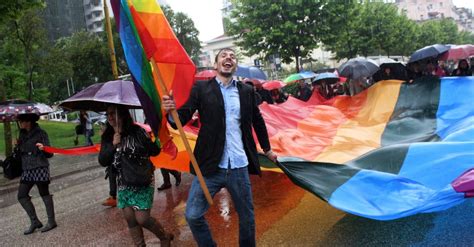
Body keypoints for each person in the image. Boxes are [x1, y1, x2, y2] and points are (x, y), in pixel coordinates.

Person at [162, 47, 277, 247]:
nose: (228, 58)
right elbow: (181, 119)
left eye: (232, 56)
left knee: (247, 218)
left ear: (235, 65)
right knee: (193, 215)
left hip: (239, 166)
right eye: (224, 55)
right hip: (209, 167)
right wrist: (170, 112)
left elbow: (258, 121)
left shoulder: (247, 91)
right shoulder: (201, 89)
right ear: (216, 64)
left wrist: (267, 149)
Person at [98, 105, 173, 246]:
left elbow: (154, 151)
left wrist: (158, 137)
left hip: (142, 179)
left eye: (113, 113)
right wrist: (113, 145)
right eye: (107, 114)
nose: (110, 117)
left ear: (122, 114)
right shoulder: (108, 136)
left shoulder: (137, 131)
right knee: (130, 218)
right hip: (123, 183)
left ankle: (164, 237)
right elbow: (103, 160)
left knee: (142, 219)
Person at [16, 113, 57, 235]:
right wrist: (17, 146)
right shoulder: (22, 134)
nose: (20, 123)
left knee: (44, 193)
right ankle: (35, 221)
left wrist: (43, 148)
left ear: (28, 122)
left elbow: (50, 153)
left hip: (40, 166)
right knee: (22, 195)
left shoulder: (41, 133)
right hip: (27, 168)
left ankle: (51, 221)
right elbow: (21, 153)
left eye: (22, 121)